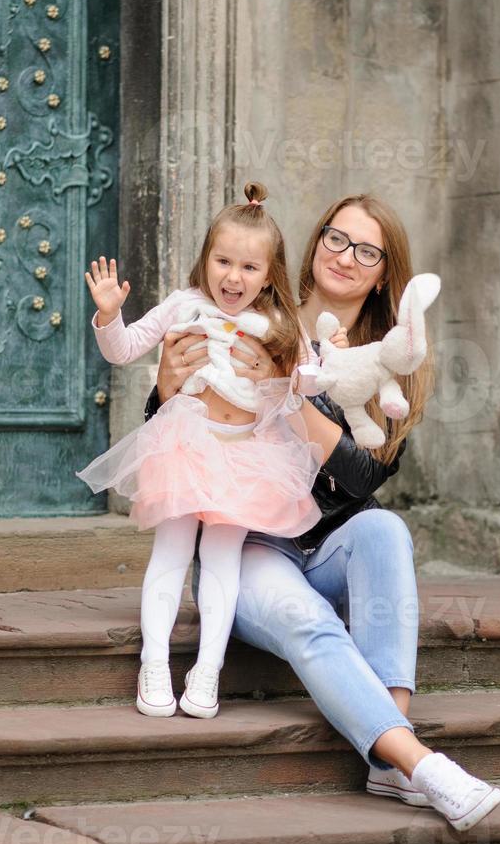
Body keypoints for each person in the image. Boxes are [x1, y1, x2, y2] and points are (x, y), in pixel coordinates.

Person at [143, 193, 500, 832]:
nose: (347, 256)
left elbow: (365, 474)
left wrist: (288, 390)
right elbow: (170, 438)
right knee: (309, 622)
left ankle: (389, 763)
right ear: (313, 246)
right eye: (336, 239)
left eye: (368, 250)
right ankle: (417, 762)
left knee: (386, 528)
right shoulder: (254, 312)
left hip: (332, 545)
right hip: (248, 546)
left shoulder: (390, 358)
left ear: (384, 272)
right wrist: (166, 386)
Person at [76, 182, 321, 720]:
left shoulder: (282, 325)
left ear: (270, 273)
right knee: (171, 552)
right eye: (223, 260)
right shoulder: (183, 305)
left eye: (249, 268)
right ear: (206, 258)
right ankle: (155, 662)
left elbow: (304, 389)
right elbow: (123, 351)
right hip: (187, 441)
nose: (233, 277)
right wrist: (109, 315)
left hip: (248, 454)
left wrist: (315, 369)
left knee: (221, 560)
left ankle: (208, 668)